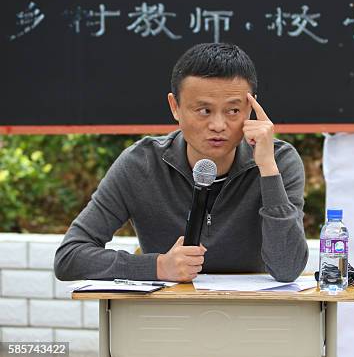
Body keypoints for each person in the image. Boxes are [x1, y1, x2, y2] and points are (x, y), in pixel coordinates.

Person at [54, 43, 309, 283]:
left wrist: (267, 169)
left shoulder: (279, 161)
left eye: (233, 111)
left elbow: (288, 269)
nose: (218, 125)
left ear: (251, 108)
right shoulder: (141, 163)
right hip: (166, 318)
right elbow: (70, 257)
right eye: (204, 111)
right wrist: (157, 267)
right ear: (175, 107)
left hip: (255, 317)